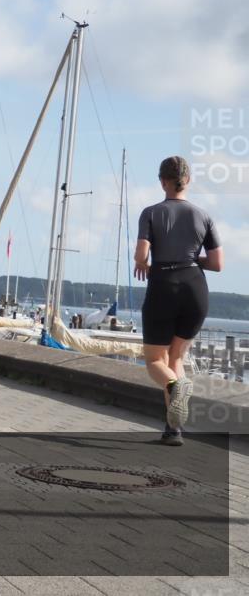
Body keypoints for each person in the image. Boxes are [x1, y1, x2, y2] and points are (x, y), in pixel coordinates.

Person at [134, 156, 223, 446]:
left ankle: (174, 386)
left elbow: (141, 254)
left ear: (163, 182)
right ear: (188, 180)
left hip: (163, 286)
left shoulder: (151, 212)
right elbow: (217, 263)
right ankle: (174, 430)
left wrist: (143, 262)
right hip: (195, 289)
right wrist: (191, 260)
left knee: (155, 361)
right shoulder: (204, 216)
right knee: (176, 358)